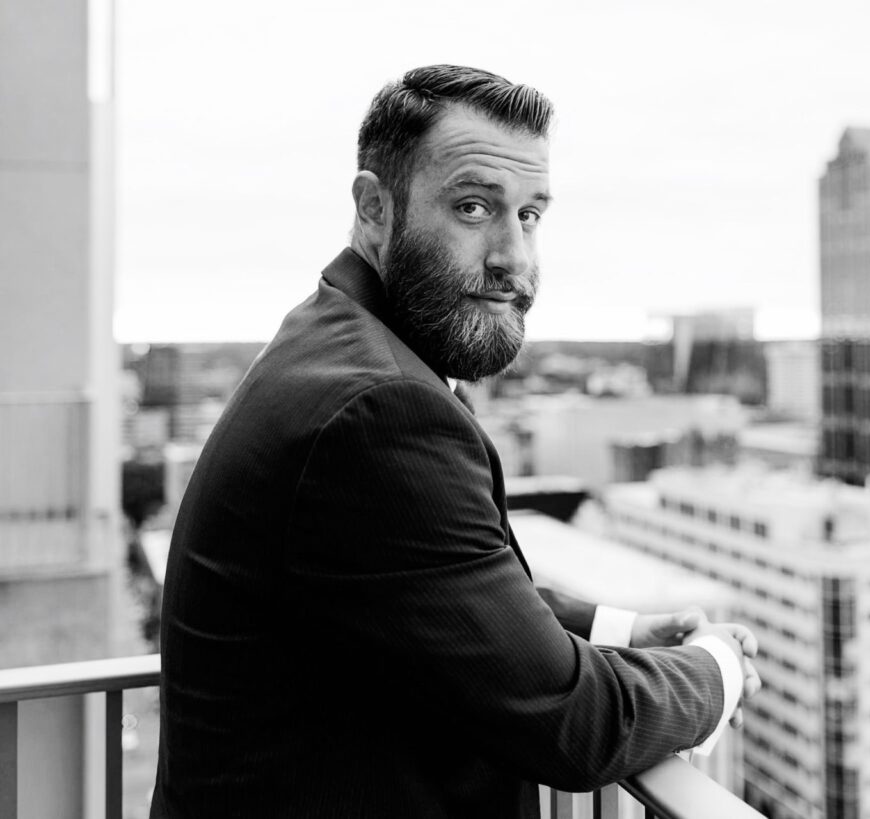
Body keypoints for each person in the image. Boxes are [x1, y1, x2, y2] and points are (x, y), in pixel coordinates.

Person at [150, 64, 760, 819]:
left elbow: (435, 587)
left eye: (531, 214)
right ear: (375, 208)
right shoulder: (380, 407)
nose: (513, 256)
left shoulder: (334, 342)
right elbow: (579, 724)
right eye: (474, 207)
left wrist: (624, 629)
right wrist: (719, 665)